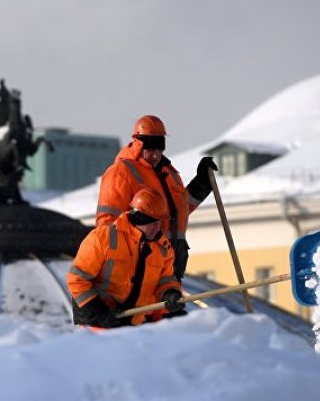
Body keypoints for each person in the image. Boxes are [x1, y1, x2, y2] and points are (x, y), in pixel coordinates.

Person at [96, 114, 217, 281]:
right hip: (141, 263)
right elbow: (107, 224)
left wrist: (202, 182)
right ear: (138, 144)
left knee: (168, 305)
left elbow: (181, 209)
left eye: (159, 149)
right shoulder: (121, 173)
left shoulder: (169, 173)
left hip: (172, 262)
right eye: (150, 149)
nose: (155, 155)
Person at [67, 188, 185, 328]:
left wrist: (170, 294)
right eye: (152, 223)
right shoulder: (102, 239)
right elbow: (77, 280)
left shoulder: (163, 248)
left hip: (136, 329)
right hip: (99, 327)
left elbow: (165, 281)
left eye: (159, 223)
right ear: (139, 219)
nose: (157, 228)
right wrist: (99, 312)